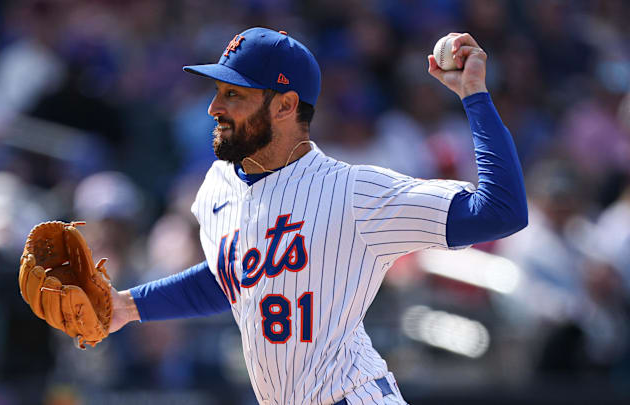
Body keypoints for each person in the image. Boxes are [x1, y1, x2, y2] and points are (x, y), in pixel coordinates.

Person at [109, 27, 528, 405]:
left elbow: (499, 211)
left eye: (234, 94)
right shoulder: (218, 186)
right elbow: (231, 279)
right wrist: (127, 307)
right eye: (218, 90)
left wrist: (474, 95)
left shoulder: (354, 193)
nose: (214, 107)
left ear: (286, 105)